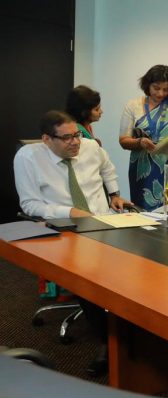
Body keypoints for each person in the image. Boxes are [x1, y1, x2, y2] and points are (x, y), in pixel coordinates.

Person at [14, 110, 134, 377]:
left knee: (137, 265)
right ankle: (109, 344)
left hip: (104, 222)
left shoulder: (90, 147)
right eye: (66, 138)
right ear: (47, 139)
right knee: (88, 277)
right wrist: (68, 211)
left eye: (77, 135)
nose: (75, 142)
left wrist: (115, 194)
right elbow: (29, 204)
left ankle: (141, 334)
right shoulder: (28, 158)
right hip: (66, 229)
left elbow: (107, 168)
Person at [119, 64, 168, 211]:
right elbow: (123, 140)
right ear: (147, 85)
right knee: (144, 215)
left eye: (165, 89)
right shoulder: (133, 105)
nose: (161, 93)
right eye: (156, 88)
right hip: (143, 171)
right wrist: (140, 142)